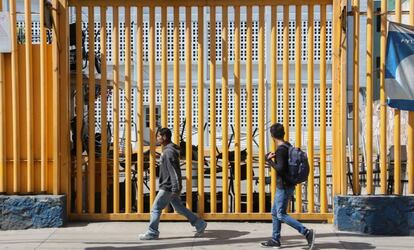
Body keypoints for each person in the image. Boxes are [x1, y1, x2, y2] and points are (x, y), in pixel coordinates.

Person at [139, 127, 207, 240]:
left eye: (159, 136)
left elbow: (173, 171)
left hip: (168, 186)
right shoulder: (169, 150)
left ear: (164, 137)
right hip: (172, 186)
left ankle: (152, 232)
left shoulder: (168, 152)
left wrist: (175, 187)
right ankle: (199, 224)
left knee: (155, 208)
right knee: (179, 208)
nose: (157, 138)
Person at [261, 123, 315, 249]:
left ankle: (307, 232)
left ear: (273, 136)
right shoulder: (287, 145)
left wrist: (268, 161)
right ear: (283, 133)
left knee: (280, 214)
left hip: (284, 186)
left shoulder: (280, 150)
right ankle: (275, 239)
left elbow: (280, 168)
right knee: (274, 212)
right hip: (288, 184)